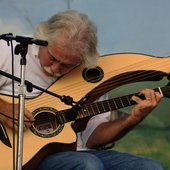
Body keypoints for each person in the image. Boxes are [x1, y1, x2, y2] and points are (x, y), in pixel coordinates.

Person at [0, 10, 164, 170]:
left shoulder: (92, 75)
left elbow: (93, 139)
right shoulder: (9, 51)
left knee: (150, 167)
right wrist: (4, 108)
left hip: (75, 152)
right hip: (23, 155)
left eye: (67, 65)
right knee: (88, 164)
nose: (55, 68)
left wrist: (132, 120)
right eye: (52, 58)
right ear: (42, 38)